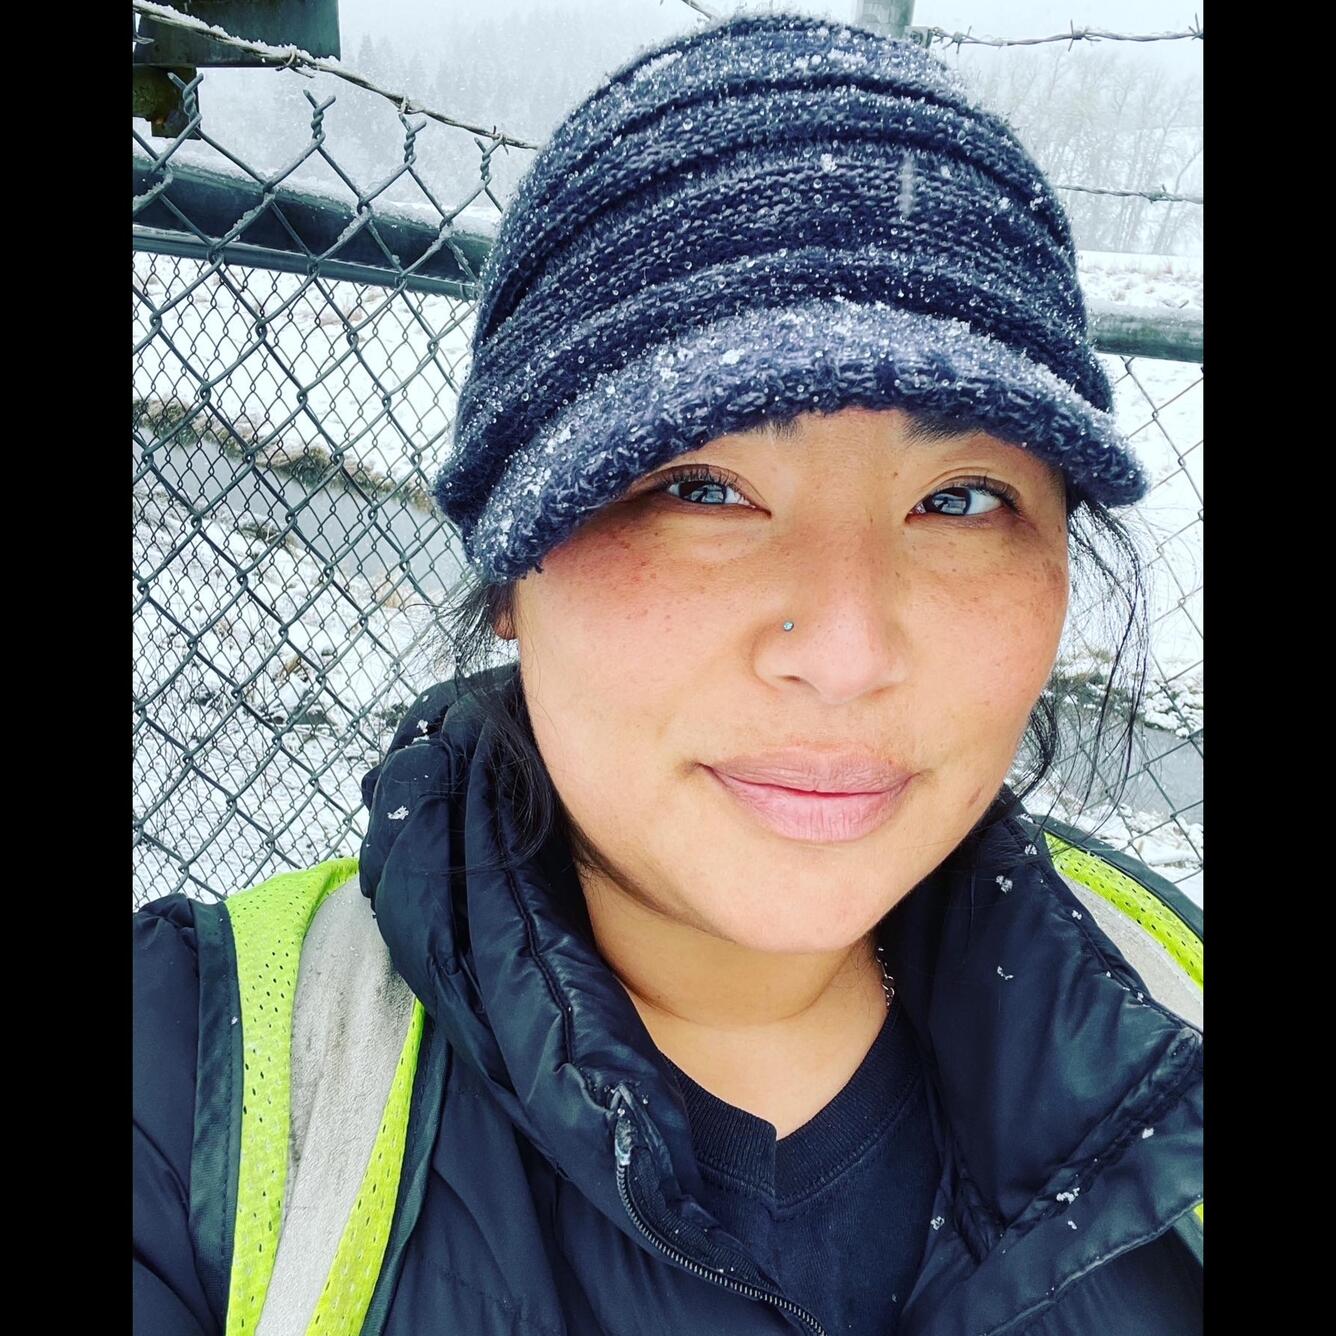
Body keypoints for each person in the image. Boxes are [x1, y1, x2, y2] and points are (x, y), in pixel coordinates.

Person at [133, 11, 1203, 1336]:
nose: (852, 653)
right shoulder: (192, 1096)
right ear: (512, 561)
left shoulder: (1171, 1006)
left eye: (966, 497)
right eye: (703, 485)